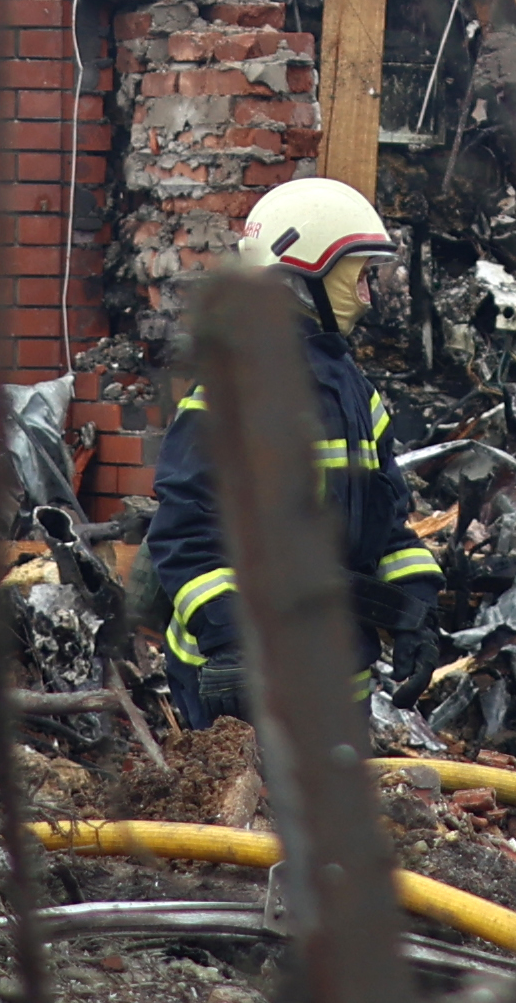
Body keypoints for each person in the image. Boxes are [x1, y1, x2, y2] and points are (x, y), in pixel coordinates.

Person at [147, 176, 443, 728]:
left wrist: (414, 613)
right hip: (238, 680)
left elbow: (389, 525)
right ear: (305, 272)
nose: (369, 295)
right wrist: (229, 642)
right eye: (359, 276)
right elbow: (184, 537)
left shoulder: (352, 389)